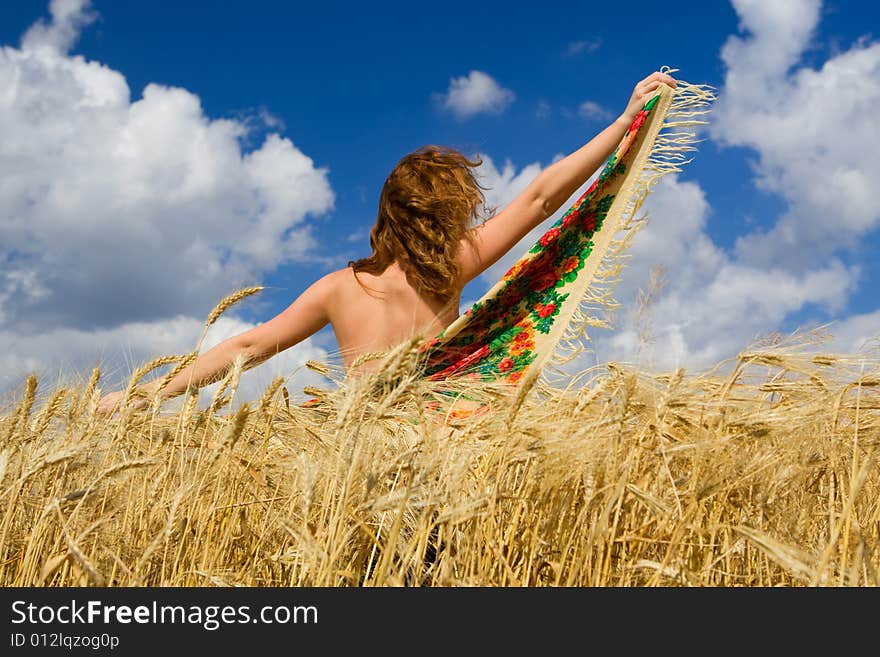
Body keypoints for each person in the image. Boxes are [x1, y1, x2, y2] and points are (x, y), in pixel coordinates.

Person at [96, 70, 677, 415]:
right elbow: (539, 200)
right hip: (438, 446)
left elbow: (248, 346)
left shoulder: (337, 290)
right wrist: (625, 121)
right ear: (450, 213)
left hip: (358, 456)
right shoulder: (452, 266)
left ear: (388, 216)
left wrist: (148, 395)